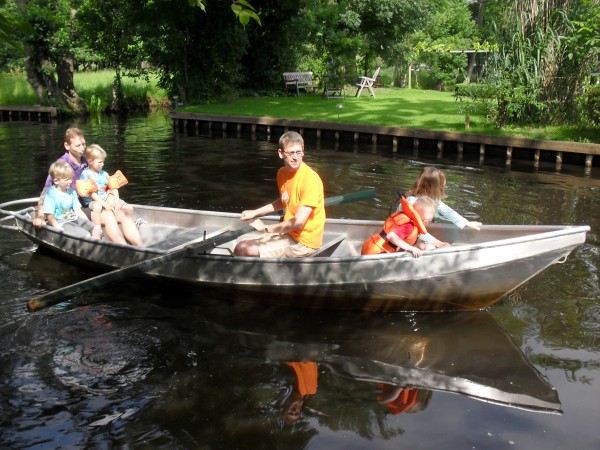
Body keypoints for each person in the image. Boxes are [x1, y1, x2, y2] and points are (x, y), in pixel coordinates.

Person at [32, 128, 143, 246]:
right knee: (109, 216)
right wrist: (40, 216)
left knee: (125, 214)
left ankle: (141, 247)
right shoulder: (61, 167)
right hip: (80, 206)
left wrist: (110, 195)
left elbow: (105, 182)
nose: (82, 148)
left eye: (84, 144)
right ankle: (124, 249)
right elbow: (45, 194)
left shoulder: (89, 160)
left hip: (97, 201)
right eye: (78, 145)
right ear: (67, 146)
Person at [233, 131, 325, 257]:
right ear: (281, 154)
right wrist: (255, 212)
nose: (295, 157)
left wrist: (265, 229)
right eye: (291, 153)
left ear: (303, 151)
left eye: (298, 152)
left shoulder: (311, 179)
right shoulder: (282, 173)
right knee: (242, 242)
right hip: (290, 233)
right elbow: (284, 200)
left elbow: (298, 222)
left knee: (241, 248)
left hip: (303, 242)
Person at [399, 166, 483, 249]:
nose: (442, 188)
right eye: (441, 186)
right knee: (430, 247)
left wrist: (465, 222)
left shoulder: (432, 200)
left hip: (414, 234)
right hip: (403, 235)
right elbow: (414, 228)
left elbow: (447, 211)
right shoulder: (413, 202)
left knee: (427, 245)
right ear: (435, 188)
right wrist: (438, 243)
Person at [77, 144, 135, 227]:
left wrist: (117, 201)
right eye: (100, 162)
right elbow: (91, 194)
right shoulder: (86, 174)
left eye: (103, 161)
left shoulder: (104, 174)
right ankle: (97, 228)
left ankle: (131, 224)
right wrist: (105, 204)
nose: (102, 164)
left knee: (129, 208)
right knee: (98, 207)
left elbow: (113, 187)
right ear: (90, 161)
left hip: (105, 198)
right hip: (92, 201)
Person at [361, 196, 437, 258]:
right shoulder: (409, 226)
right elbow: (391, 236)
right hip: (376, 254)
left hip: (370, 248)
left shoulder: (405, 217)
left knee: (424, 246)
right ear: (426, 222)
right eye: (430, 221)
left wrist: (420, 245)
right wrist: (411, 248)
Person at [42, 162, 102, 240]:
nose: (70, 181)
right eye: (67, 179)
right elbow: (49, 216)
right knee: (86, 235)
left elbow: (78, 210)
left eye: (71, 178)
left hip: (74, 218)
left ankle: (96, 249)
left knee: (96, 229)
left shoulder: (72, 191)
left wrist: (88, 223)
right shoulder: (50, 193)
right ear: (56, 181)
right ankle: (88, 250)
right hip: (62, 222)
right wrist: (58, 229)